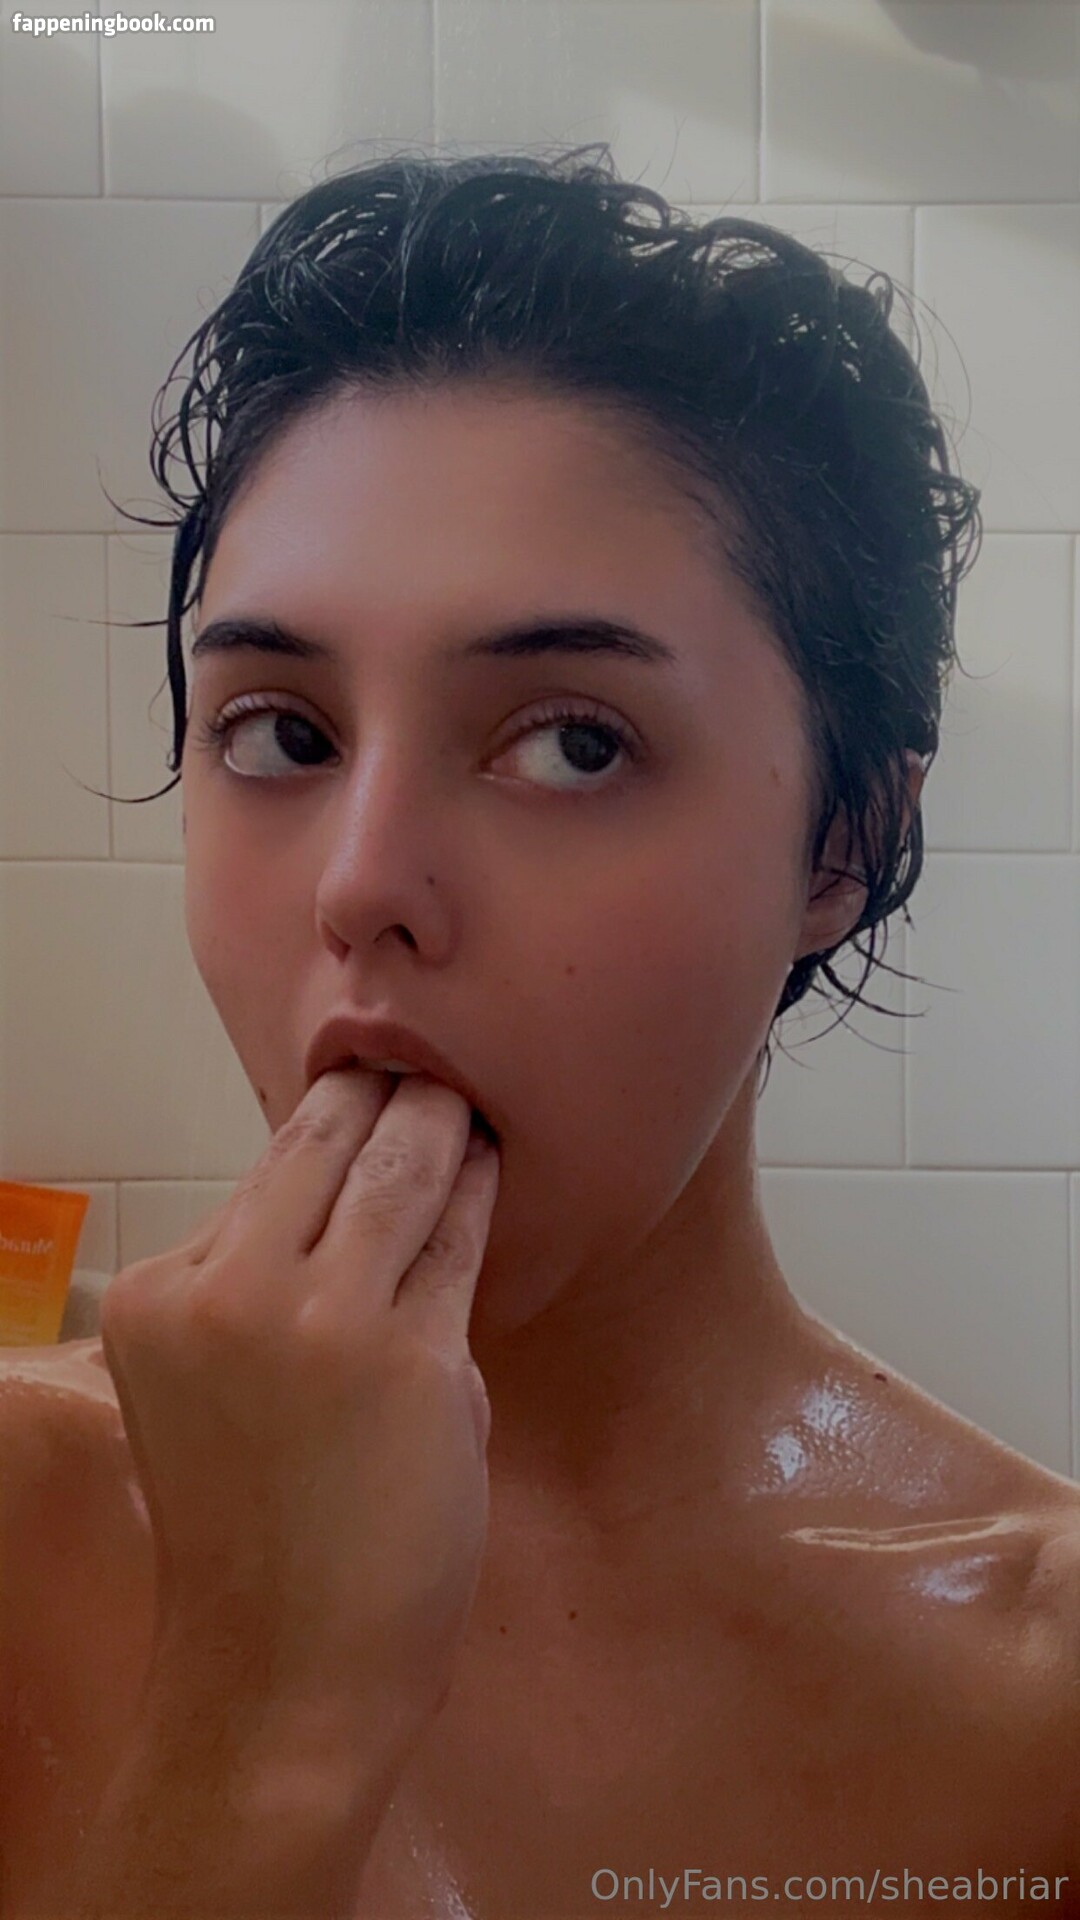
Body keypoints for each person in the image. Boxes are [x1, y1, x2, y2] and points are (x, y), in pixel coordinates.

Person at [2, 145, 1079, 1920]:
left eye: (574, 743)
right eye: (279, 732)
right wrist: (262, 1709)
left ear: (844, 846)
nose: (363, 884)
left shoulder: (1038, 1694)